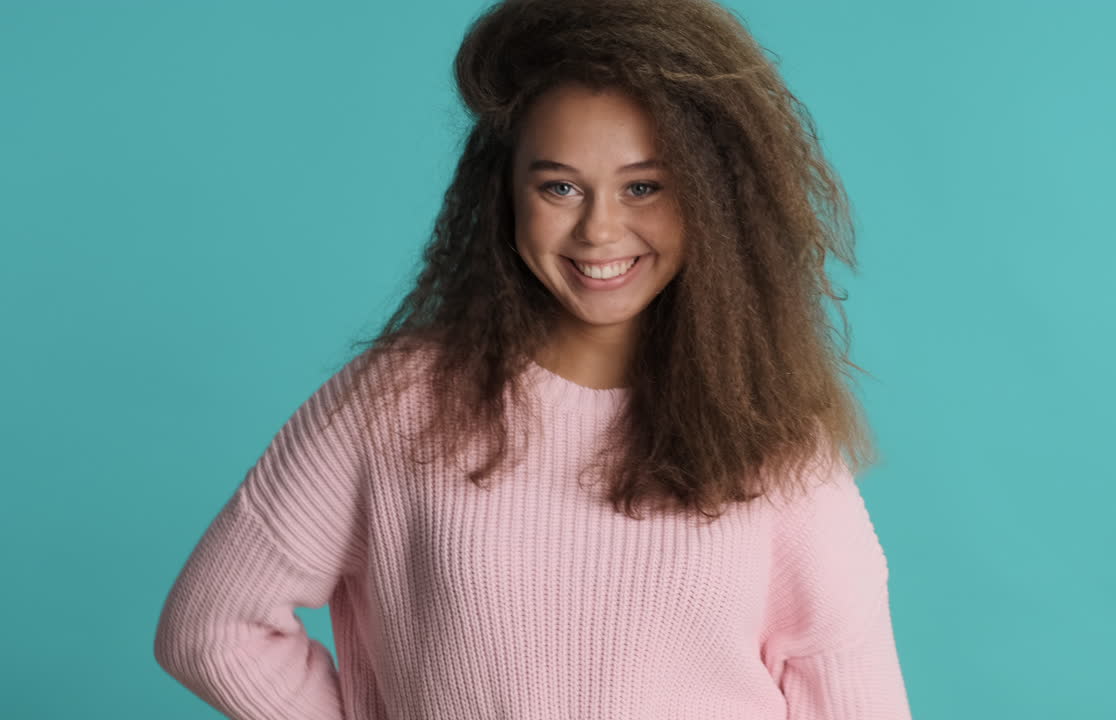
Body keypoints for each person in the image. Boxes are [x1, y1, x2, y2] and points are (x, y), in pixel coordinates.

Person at [153, 0, 913, 717]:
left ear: (710, 199)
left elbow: (854, 697)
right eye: (561, 188)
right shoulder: (395, 404)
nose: (599, 230)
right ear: (505, 193)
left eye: (643, 186)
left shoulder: (772, 438)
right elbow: (212, 629)